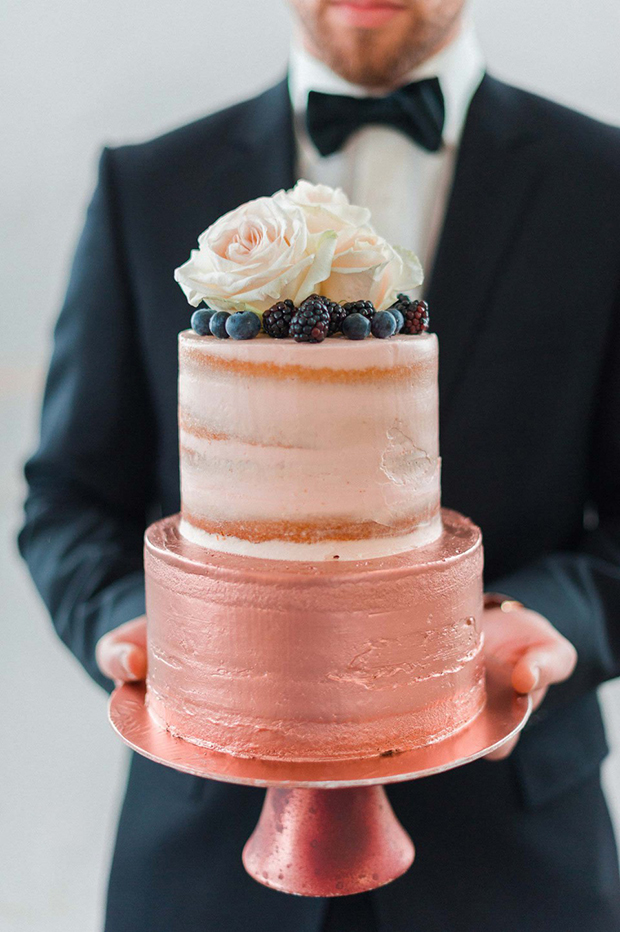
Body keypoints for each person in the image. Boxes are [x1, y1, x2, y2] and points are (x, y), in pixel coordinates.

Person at [18, 0, 620, 929]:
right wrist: (152, 631)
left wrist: (535, 622)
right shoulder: (148, 182)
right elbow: (67, 495)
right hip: (202, 858)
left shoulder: (604, 186)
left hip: (512, 859)